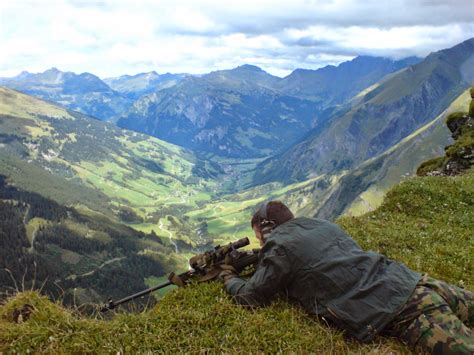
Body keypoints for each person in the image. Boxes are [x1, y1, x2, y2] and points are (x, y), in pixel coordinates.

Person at [219, 201, 474, 354]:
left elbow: (252, 296)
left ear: (267, 228)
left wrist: (229, 276)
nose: (262, 243)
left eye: (260, 237)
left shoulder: (280, 246)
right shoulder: (322, 224)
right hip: (418, 282)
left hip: (407, 312)